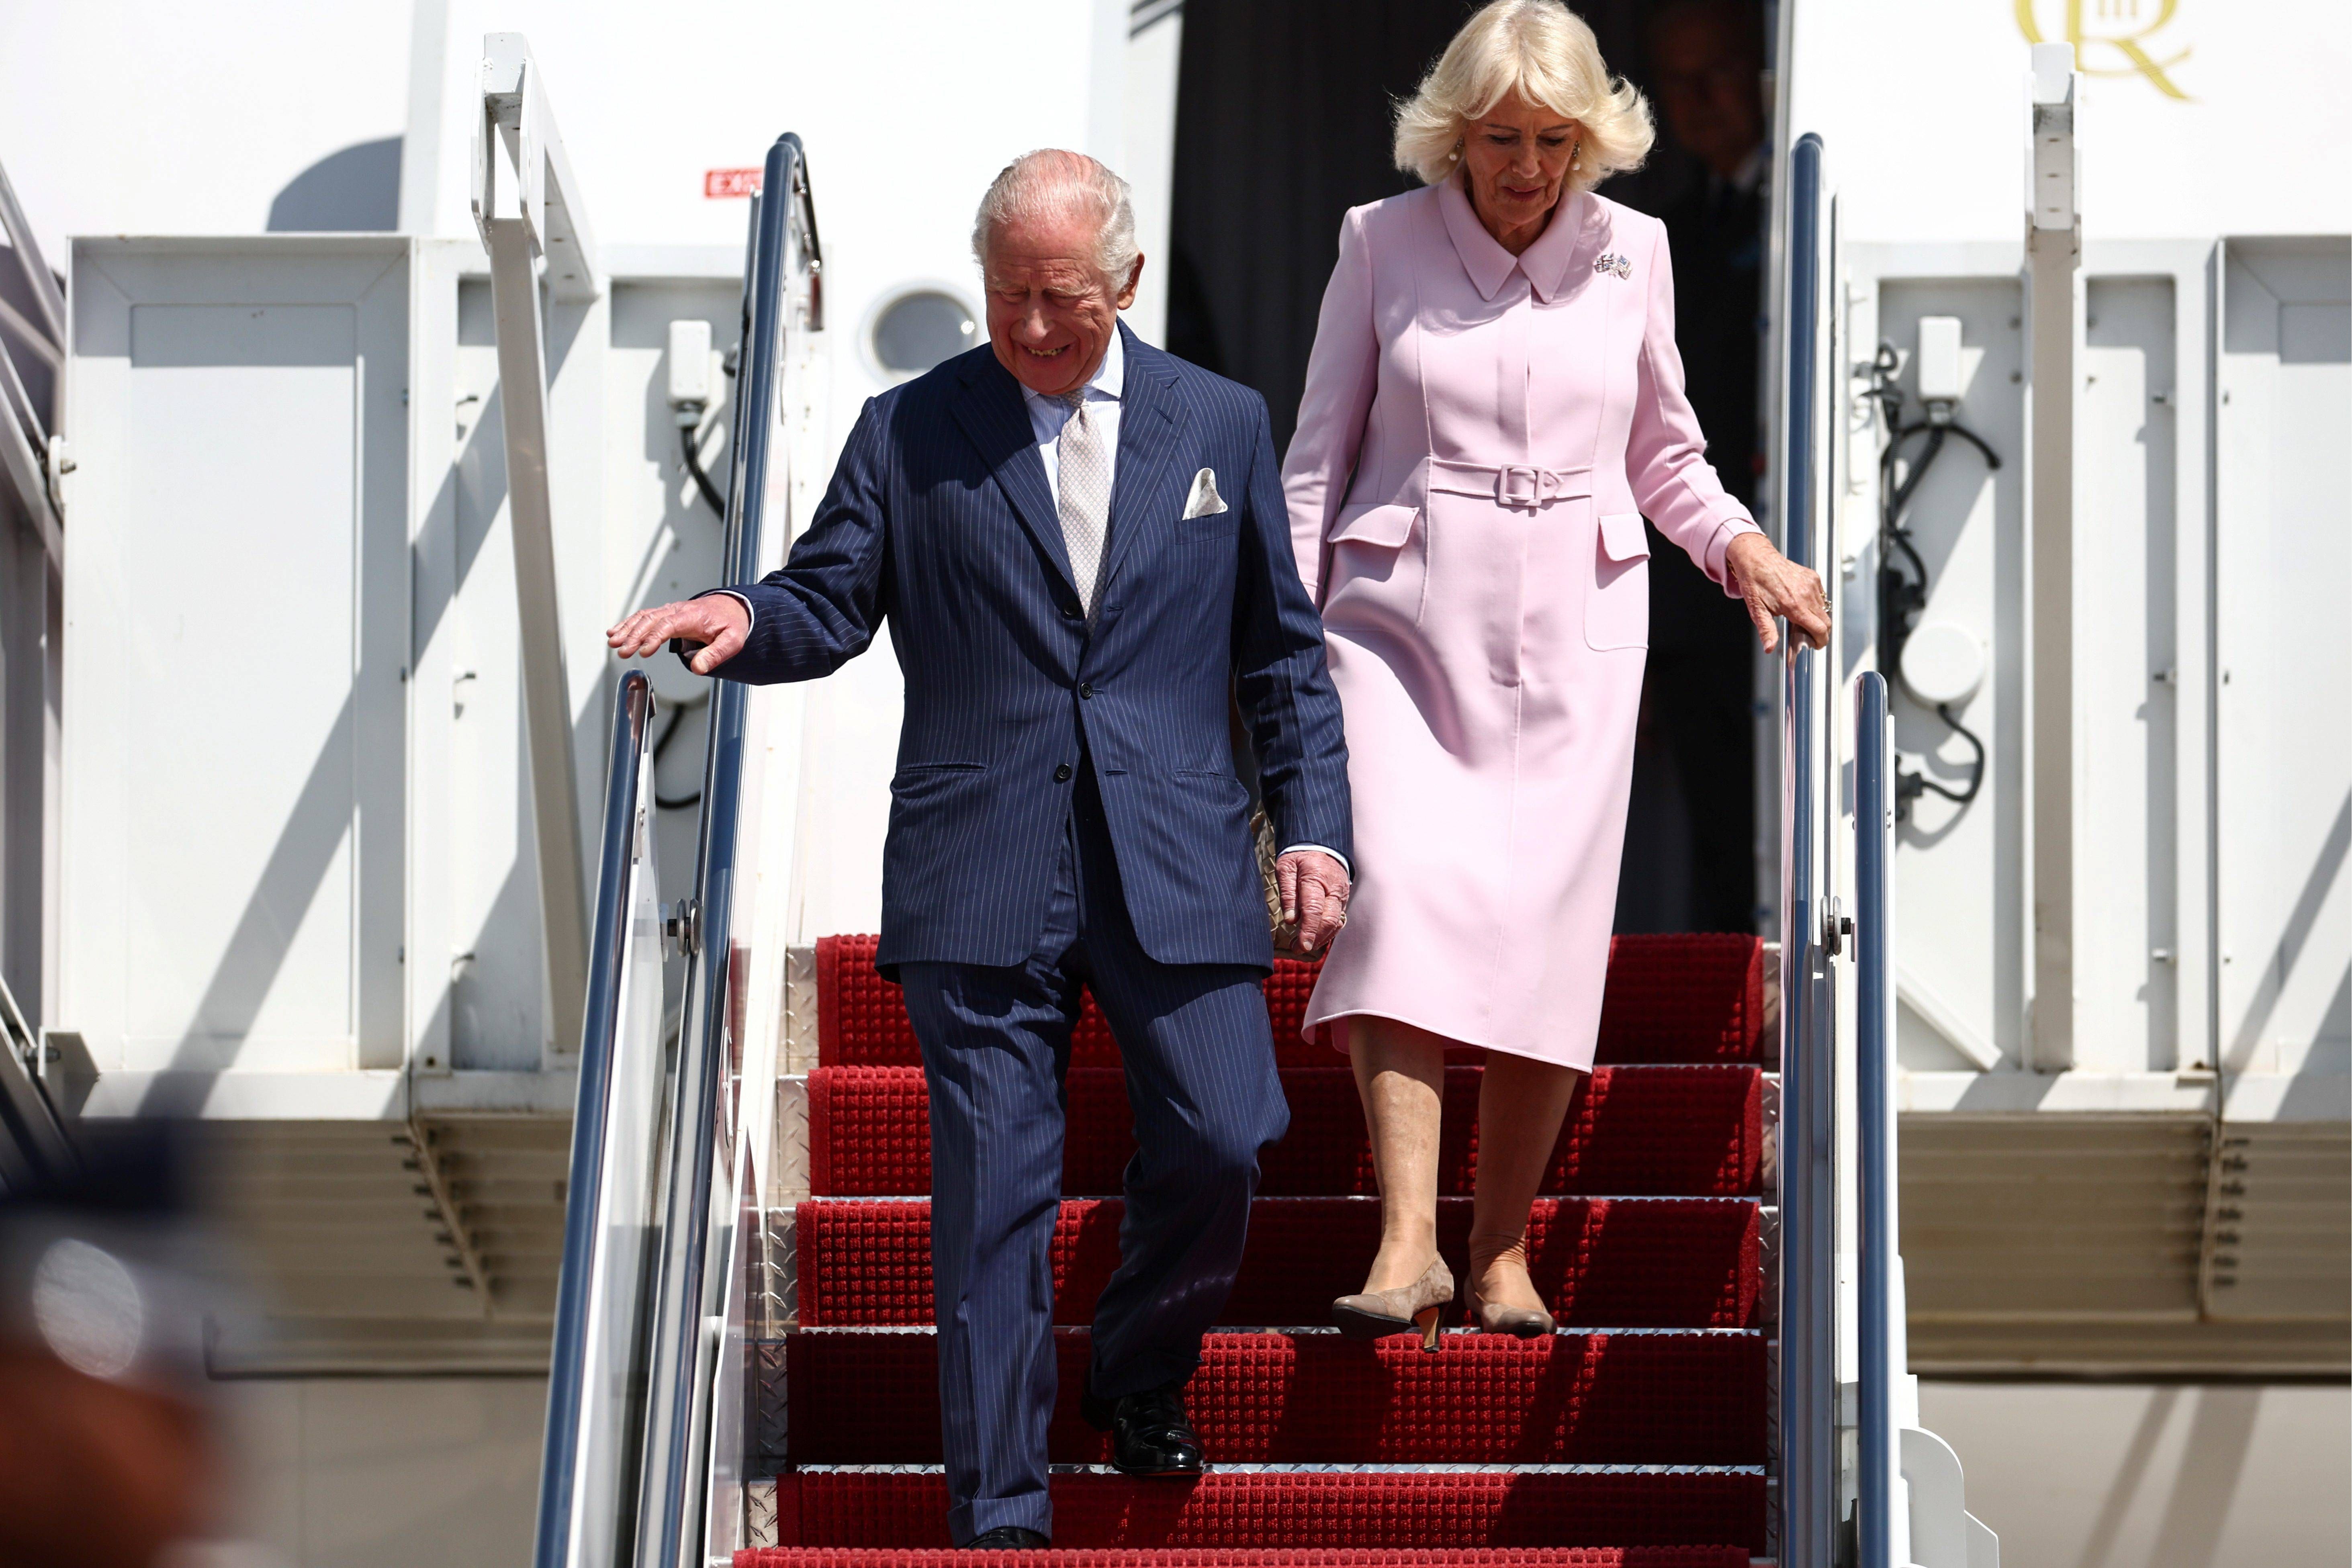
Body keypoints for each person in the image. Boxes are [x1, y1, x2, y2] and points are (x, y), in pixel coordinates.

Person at [607, 151, 1353, 1549]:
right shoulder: (909, 429)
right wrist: (741, 619)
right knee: (991, 1204)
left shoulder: (1222, 424)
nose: (1026, 325)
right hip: (982, 859)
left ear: (1123, 282)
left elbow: (1282, 656)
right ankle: (1000, 1513)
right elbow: (828, 598)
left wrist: (1313, 823)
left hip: (1175, 852)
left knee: (1226, 1134)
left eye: (1059, 297)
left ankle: (1136, 1367)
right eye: (1005, 294)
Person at [1280, 0, 1828, 1347]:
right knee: (1395, 896)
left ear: (1592, 136)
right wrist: (1270, 657)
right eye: (1501, 137)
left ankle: (1503, 1248)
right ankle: (1406, 1243)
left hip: (1577, 632)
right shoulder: (1378, 242)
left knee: (1540, 931)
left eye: (1554, 138)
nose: (1527, 165)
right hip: (1397, 626)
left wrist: (1741, 548)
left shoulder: (1632, 251)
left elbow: (1665, 457)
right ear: (1453, 136)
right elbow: (1311, 465)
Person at [1642, 0, 1773, 934]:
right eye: (1676, 80)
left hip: (1784, 565)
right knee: (1717, 817)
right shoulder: (1666, 236)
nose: (1698, 99)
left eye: (1716, 73)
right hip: (1692, 588)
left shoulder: (1802, 223)